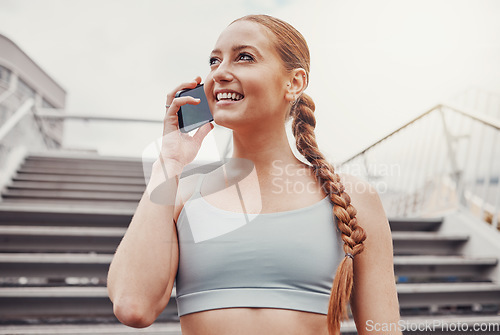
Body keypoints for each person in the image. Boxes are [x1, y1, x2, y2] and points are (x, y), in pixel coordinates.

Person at [107, 14, 401, 335]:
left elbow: (382, 330)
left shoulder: (353, 199)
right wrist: (169, 162)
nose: (220, 72)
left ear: (294, 82)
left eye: (244, 57)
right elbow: (132, 307)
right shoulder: (180, 193)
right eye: (214, 61)